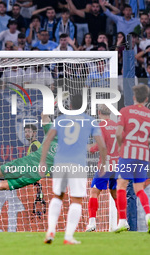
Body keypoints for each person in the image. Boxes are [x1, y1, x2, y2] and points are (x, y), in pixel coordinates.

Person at [40, 94, 107, 245]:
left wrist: (43, 161)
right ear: (83, 106)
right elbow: (102, 146)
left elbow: (47, 141)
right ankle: (68, 237)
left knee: (58, 196)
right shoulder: (90, 121)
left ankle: (51, 230)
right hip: (78, 164)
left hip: (60, 163)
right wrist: (104, 163)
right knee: (76, 200)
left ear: (69, 106)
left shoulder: (60, 120)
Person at [0, 113, 56, 191]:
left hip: (33, 175)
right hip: (25, 164)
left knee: (0, 186)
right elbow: (44, 115)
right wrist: (51, 102)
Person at [114, 84, 150, 233]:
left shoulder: (125, 111)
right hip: (143, 155)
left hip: (128, 153)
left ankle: (122, 221)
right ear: (146, 99)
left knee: (121, 186)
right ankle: (148, 216)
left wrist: (123, 145)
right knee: (139, 189)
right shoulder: (149, 114)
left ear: (134, 97)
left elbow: (118, 133)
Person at [86, 105, 119, 232]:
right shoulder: (117, 126)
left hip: (105, 165)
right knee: (115, 194)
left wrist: (90, 148)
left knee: (94, 192)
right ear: (110, 113)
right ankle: (123, 221)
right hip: (117, 165)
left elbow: (100, 145)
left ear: (99, 113)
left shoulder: (101, 126)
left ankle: (92, 223)